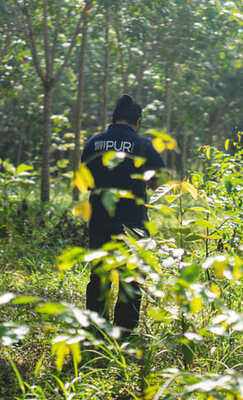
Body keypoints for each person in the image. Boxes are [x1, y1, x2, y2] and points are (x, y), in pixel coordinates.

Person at [81, 94, 165, 337]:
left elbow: (86, 183)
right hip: (133, 224)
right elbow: (158, 183)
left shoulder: (93, 143)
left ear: (113, 118)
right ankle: (124, 333)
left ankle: (94, 330)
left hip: (99, 220)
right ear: (137, 120)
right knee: (130, 280)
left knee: (99, 275)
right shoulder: (143, 144)